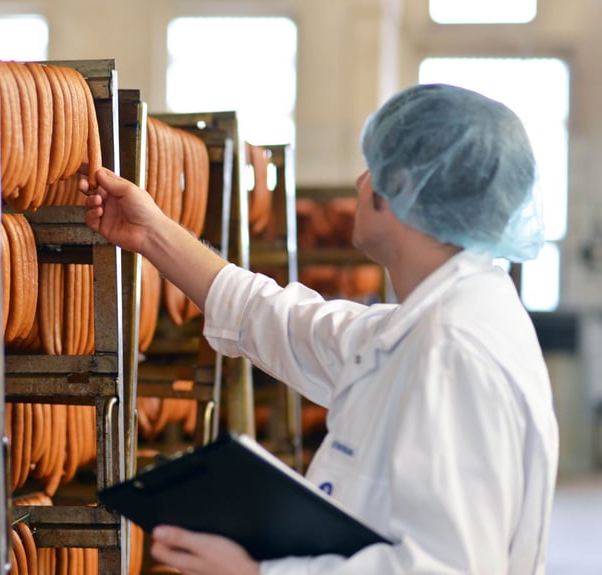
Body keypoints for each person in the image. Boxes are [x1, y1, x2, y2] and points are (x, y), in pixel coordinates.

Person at [81, 83, 559, 574]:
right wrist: (152, 232)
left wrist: (254, 573)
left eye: (374, 168)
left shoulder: (453, 351)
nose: (359, 181)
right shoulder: (429, 326)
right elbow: (278, 320)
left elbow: (450, 567)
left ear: (407, 186)